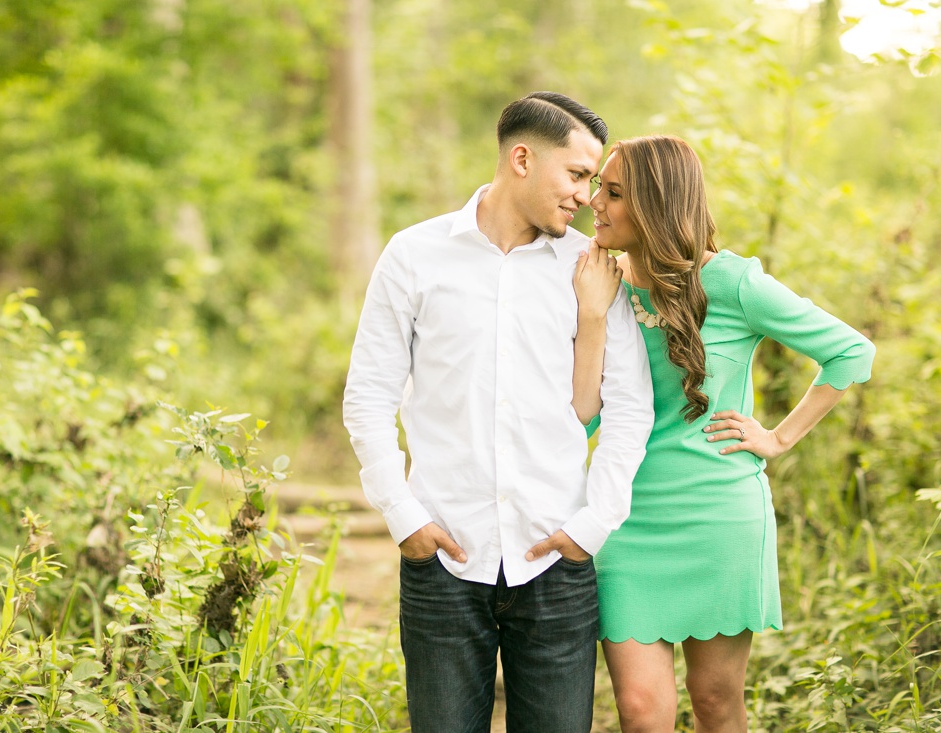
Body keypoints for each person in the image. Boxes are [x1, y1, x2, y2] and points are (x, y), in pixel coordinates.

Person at [342, 92, 654, 733]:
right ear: (521, 159)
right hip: (445, 561)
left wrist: (593, 524)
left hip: (556, 561)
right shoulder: (414, 255)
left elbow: (630, 406)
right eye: (577, 175)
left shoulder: (591, 268)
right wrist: (405, 518)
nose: (587, 197)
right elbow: (369, 395)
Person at [572, 135, 876, 732]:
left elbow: (849, 352)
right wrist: (590, 313)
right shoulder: (595, 281)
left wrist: (778, 439)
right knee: (640, 711)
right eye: (596, 190)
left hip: (719, 515)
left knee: (716, 702)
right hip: (626, 518)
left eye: (611, 193)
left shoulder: (735, 285)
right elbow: (585, 412)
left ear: (657, 205)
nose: (592, 204)